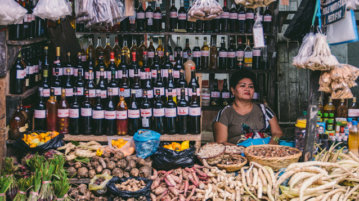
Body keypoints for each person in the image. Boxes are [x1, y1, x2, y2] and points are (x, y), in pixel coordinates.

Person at [213, 69, 283, 145]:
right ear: (233, 90)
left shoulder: (264, 109)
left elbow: (277, 133)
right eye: (242, 86)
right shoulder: (225, 113)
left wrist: (272, 144)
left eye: (251, 86)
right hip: (237, 154)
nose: (247, 89)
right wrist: (242, 151)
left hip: (264, 152)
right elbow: (221, 142)